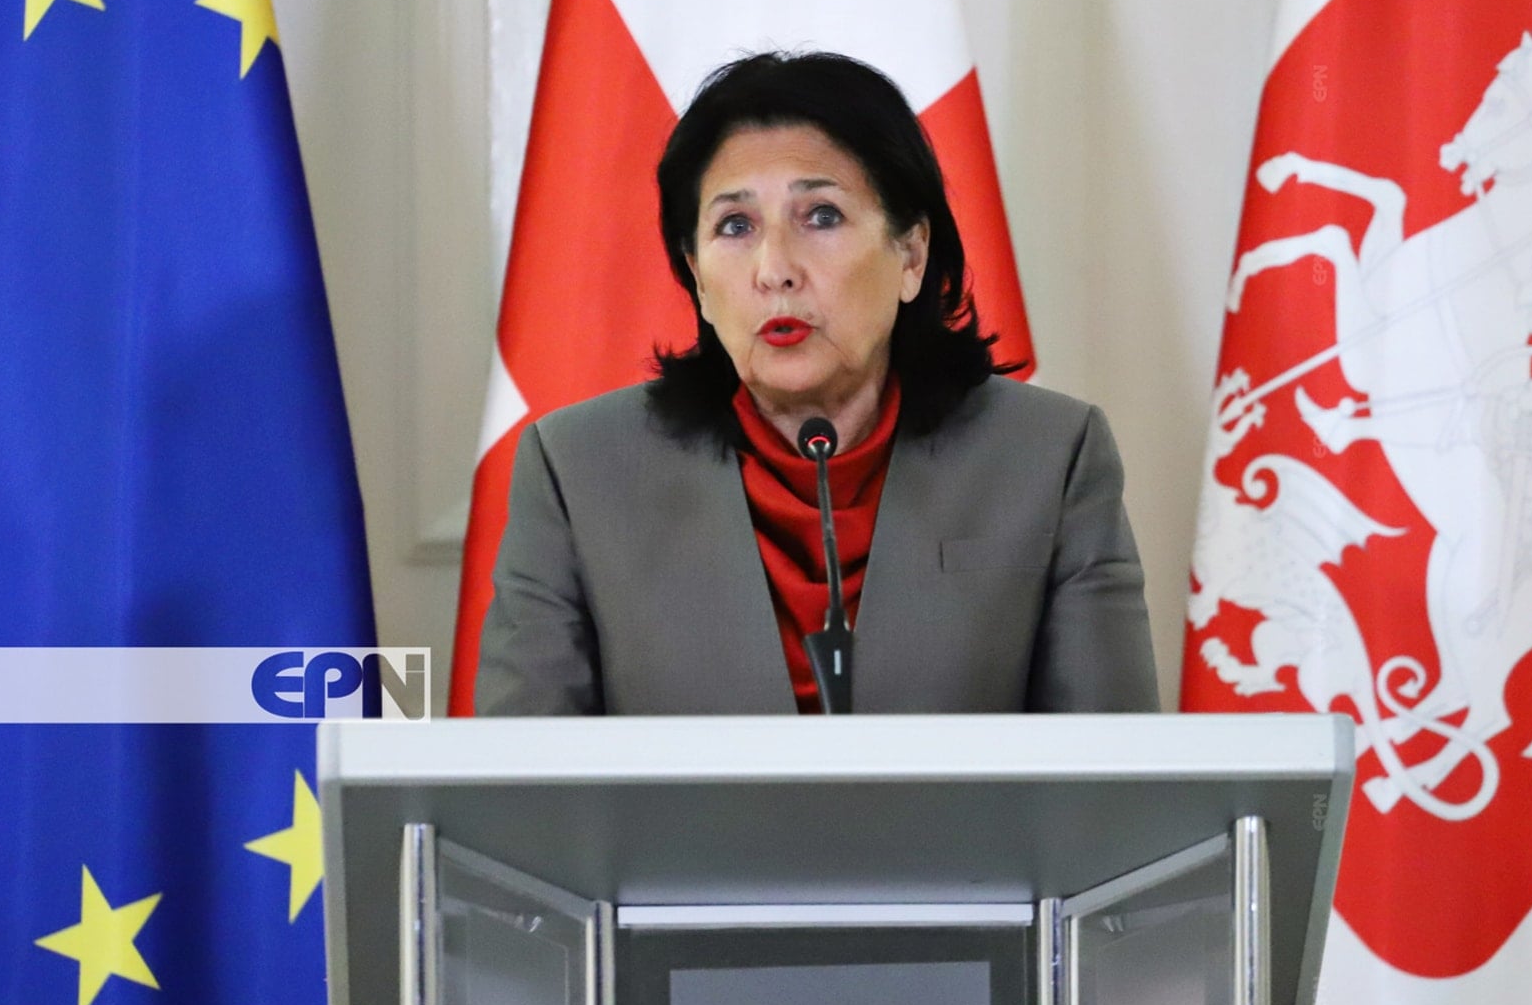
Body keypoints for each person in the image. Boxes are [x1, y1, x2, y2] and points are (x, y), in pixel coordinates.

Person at [473, 51, 1157, 715]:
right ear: (698, 279)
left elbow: (1109, 772)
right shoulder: (580, 470)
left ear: (911, 255)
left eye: (821, 216)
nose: (775, 269)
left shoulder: (1050, 457)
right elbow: (524, 775)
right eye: (735, 226)